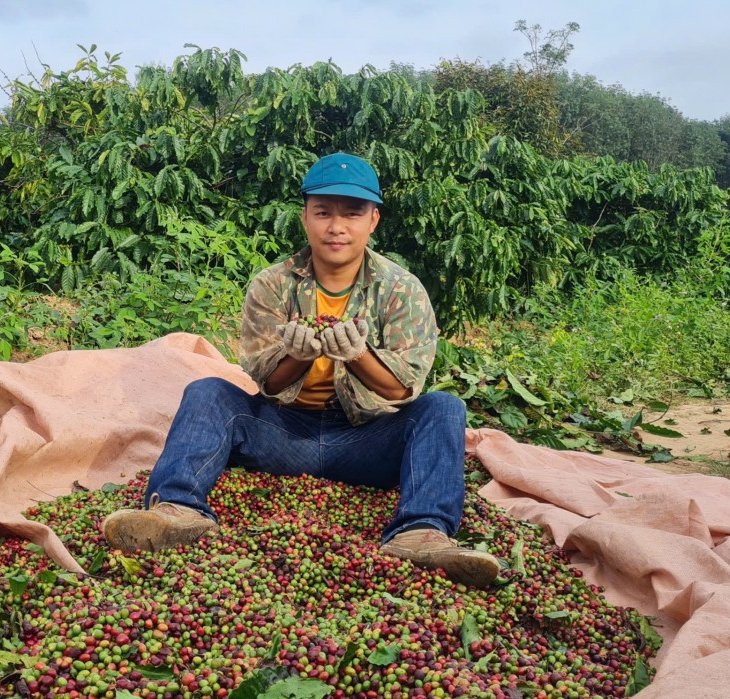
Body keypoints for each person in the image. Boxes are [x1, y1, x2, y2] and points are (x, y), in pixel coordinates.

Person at [101, 152, 501, 588]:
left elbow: (402, 389)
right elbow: (268, 382)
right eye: (323, 212)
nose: (337, 227)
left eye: (352, 213)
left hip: (366, 439)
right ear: (305, 217)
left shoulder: (401, 289)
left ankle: (421, 533)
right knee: (209, 391)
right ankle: (176, 510)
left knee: (443, 408)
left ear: (374, 221)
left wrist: (358, 354)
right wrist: (299, 356)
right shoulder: (273, 284)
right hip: (283, 434)